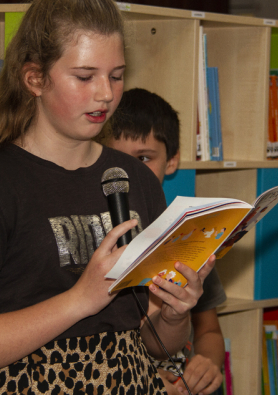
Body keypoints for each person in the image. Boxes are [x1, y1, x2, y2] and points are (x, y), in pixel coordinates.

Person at [0, 0, 215, 394]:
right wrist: (78, 301)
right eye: (85, 77)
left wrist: (175, 314)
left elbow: (154, 346)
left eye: (116, 76)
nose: (105, 94)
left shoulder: (136, 179)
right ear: (35, 79)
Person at [98, 88, 227, 394]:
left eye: (144, 158)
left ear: (171, 161)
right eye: (118, 158)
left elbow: (208, 328)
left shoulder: (187, 237)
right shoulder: (100, 238)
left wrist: (208, 363)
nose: (132, 172)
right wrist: (150, 379)